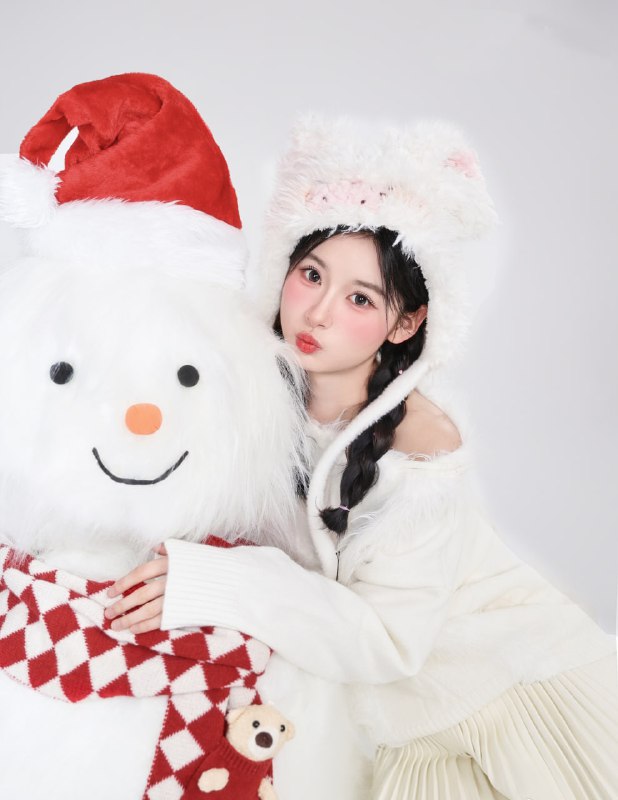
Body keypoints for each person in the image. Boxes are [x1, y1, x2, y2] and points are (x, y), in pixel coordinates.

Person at [105, 117, 618, 799]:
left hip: (518, 690)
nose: (317, 313)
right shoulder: (258, 395)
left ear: (406, 323)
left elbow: (385, 642)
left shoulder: (421, 452)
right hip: (405, 730)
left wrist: (221, 581)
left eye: (358, 298)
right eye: (310, 274)